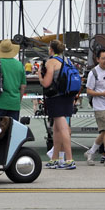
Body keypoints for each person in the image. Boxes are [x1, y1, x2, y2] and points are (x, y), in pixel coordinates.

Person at [39, 40, 75, 170]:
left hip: (56, 97)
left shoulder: (51, 62)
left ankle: (69, 159)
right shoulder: (67, 60)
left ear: (51, 49)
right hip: (67, 96)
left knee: (62, 127)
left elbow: (46, 83)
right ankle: (55, 158)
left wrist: (39, 76)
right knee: (57, 128)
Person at [0, 39, 26, 120]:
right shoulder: (19, 65)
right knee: (12, 130)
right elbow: (23, 86)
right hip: (14, 103)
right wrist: (19, 100)